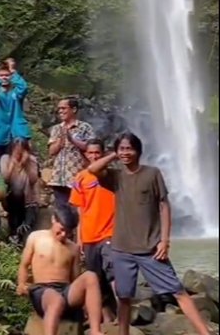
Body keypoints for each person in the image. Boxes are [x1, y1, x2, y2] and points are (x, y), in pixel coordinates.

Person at [88, 132, 211, 335]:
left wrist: (164, 240)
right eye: (122, 149)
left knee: (178, 291)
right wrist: (113, 155)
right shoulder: (115, 177)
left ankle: (204, 333)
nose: (125, 153)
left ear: (138, 151)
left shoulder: (152, 173)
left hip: (151, 248)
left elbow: (164, 206)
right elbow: (92, 169)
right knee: (124, 297)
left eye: (129, 148)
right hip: (121, 249)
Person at [16, 205, 104, 335]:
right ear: (53, 219)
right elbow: (24, 265)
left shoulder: (73, 248)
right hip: (42, 291)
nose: (64, 235)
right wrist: (21, 284)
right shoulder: (36, 237)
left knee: (90, 276)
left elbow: (75, 278)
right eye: (61, 229)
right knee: (56, 300)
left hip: (65, 290)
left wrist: (84, 302)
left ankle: (95, 331)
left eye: (68, 232)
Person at [69, 139, 116, 322]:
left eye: (97, 153)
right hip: (89, 236)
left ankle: (123, 311)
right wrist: (79, 237)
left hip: (110, 233)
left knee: (113, 271)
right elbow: (80, 211)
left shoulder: (111, 176)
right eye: (91, 153)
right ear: (86, 154)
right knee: (95, 277)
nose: (94, 156)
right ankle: (103, 315)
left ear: (103, 154)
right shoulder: (80, 178)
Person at [48, 97, 94, 208]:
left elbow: (90, 148)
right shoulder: (56, 129)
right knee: (62, 215)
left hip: (76, 178)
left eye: (63, 108)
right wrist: (61, 139)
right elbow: (51, 151)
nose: (60, 111)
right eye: (59, 109)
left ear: (74, 109)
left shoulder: (85, 127)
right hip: (58, 178)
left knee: (77, 211)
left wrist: (73, 140)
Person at [0, 58, 31, 169]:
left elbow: (23, 88)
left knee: (20, 165)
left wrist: (13, 71)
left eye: (7, 75)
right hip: (0, 135)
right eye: (1, 75)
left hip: (16, 133)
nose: (4, 77)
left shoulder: (16, 93)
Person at [0, 138, 39, 245]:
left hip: (29, 202)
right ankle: (13, 235)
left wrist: (25, 164)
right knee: (17, 194)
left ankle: (19, 237)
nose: (18, 151)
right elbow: (5, 179)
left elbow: (33, 180)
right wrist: (13, 164)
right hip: (12, 200)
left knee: (26, 230)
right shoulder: (5, 159)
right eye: (16, 148)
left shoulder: (31, 159)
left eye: (21, 148)